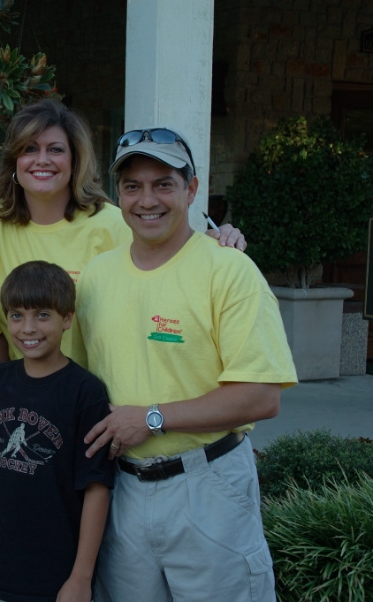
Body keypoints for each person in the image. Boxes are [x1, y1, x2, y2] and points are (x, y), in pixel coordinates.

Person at [0, 98, 246, 367]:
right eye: (30, 149)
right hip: (24, 402)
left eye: (55, 150)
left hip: (101, 404)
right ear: (15, 162)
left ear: (75, 160)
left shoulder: (113, 224)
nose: (42, 161)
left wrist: (218, 239)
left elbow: (174, 254)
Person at [77, 127, 298, 602]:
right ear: (119, 194)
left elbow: (261, 396)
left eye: (164, 184)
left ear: (192, 189)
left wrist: (152, 418)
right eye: (133, 186)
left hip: (209, 486)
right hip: (124, 490)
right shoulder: (96, 276)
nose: (146, 200)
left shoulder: (230, 271)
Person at [0, 260, 115, 602]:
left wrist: (80, 578)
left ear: (67, 318)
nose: (28, 328)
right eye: (17, 315)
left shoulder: (85, 392)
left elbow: (97, 487)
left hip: (55, 577)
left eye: (42, 315)